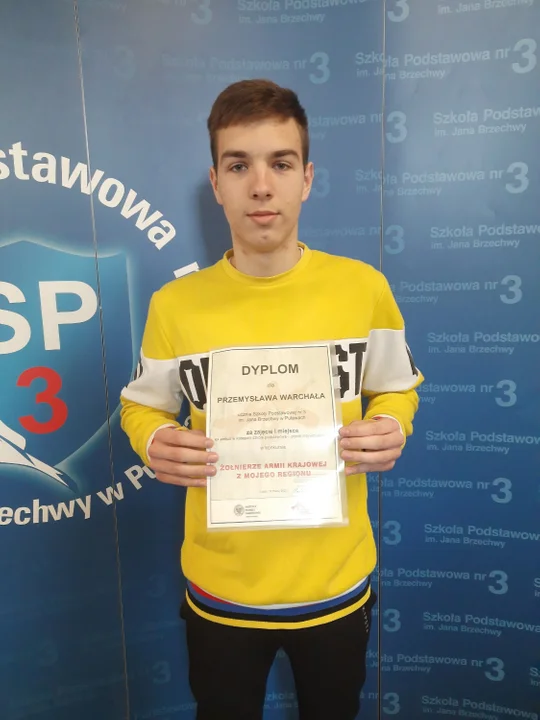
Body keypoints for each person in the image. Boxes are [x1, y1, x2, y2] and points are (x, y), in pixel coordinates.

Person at [120, 79, 424, 720]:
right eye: (239, 166)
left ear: (306, 178)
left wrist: (391, 424)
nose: (261, 186)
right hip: (221, 592)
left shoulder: (362, 288)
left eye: (281, 164)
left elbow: (396, 388)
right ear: (216, 182)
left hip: (336, 586)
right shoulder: (175, 306)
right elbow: (142, 406)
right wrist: (154, 439)